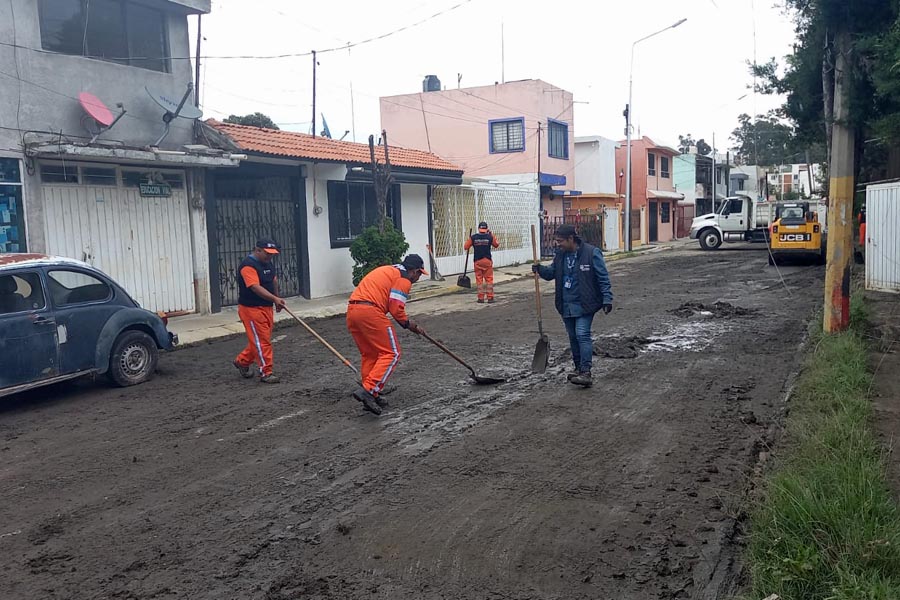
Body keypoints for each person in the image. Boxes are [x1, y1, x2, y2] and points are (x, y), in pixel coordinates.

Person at [533, 224, 613, 388]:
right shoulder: (560, 255)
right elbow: (551, 274)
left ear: (571, 239)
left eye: (560, 241)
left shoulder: (591, 253)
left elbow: (602, 277)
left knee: (582, 334)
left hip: (585, 304)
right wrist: (539, 269)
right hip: (566, 305)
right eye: (556, 241)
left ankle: (586, 372)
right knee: (573, 337)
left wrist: (607, 298)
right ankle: (578, 368)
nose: (558, 244)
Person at [346, 254, 428, 415]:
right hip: (371, 311)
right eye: (419, 274)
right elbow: (396, 308)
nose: (418, 278)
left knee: (370, 355)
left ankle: (371, 395)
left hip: (353, 311)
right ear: (414, 271)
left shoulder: (388, 270)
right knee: (392, 353)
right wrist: (410, 325)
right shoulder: (403, 279)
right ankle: (368, 390)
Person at [233, 239, 287, 384]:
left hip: (266, 307)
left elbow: (273, 280)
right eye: (267, 253)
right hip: (251, 309)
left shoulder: (268, 263)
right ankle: (266, 372)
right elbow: (255, 287)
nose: (270, 257)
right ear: (257, 250)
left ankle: (242, 361)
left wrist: (277, 298)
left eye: (272, 254)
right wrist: (274, 298)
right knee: (262, 341)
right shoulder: (248, 266)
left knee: (259, 340)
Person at [464, 221, 500, 303]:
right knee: (489, 280)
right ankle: (490, 298)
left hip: (477, 261)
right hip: (487, 261)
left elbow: (466, 247)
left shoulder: (473, 237)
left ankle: (481, 298)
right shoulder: (490, 237)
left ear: (479, 229)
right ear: (487, 229)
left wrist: (469, 240)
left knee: (479, 280)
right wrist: (491, 234)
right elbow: (496, 244)